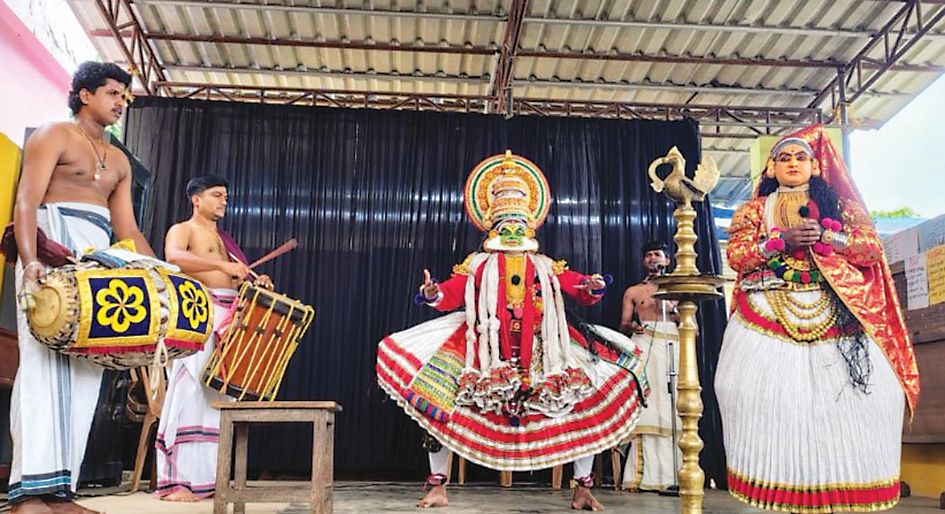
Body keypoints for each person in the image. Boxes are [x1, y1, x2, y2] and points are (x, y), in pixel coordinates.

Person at [376, 152, 648, 511]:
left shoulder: (545, 264)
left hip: (544, 347)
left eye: (520, 223)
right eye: (507, 224)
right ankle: (437, 485)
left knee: (583, 404)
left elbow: (577, 287)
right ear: (493, 225)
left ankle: (582, 488)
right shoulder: (476, 264)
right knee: (438, 404)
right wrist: (433, 292)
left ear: (531, 225)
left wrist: (592, 283)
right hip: (480, 348)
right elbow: (450, 294)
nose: (514, 229)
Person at [715, 126, 919, 513]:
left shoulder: (841, 207)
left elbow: (870, 250)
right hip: (767, 307)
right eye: (784, 158)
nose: (793, 163)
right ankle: (775, 492)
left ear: (814, 165)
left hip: (836, 308)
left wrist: (829, 239)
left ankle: (843, 491)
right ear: (771, 169)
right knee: (745, 391)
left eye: (800, 158)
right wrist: (780, 242)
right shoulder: (753, 210)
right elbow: (738, 256)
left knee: (871, 397)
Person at [10, 61, 154, 514]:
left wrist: (160, 273)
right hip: (51, 252)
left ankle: (61, 492)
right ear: (85, 94)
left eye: (125, 96)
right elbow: (26, 200)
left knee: (88, 376)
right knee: (41, 371)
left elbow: (127, 228)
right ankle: (28, 495)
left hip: (98, 260)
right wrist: (32, 261)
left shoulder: (120, 160)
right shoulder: (53, 134)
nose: (120, 103)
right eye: (113, 93)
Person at [154, 176, 272, 501]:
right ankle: (176, 483)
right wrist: (221, 264)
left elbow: (234, 277)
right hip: (198, 315)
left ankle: (209, 481)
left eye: (226, 197)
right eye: (217, 195)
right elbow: (174, 256)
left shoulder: (226, 241)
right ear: (196, 198)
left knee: (216, 401)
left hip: (229, 319)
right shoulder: (183, 229)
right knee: (188, 394)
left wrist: (254, 280)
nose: (224, 201)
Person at [618, 241, 681, 492]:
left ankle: (677, 475)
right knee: (648, 403)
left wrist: (674, 312)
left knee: (672, 403)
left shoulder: (679, 289)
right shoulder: (634, 291)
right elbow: (623, 324)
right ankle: (642, 476)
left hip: (673, 346)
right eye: (648, 255)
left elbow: (693, 328)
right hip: (644, 343)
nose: (652, 258)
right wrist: (633, 326)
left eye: (657, 255)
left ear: (666, 261)